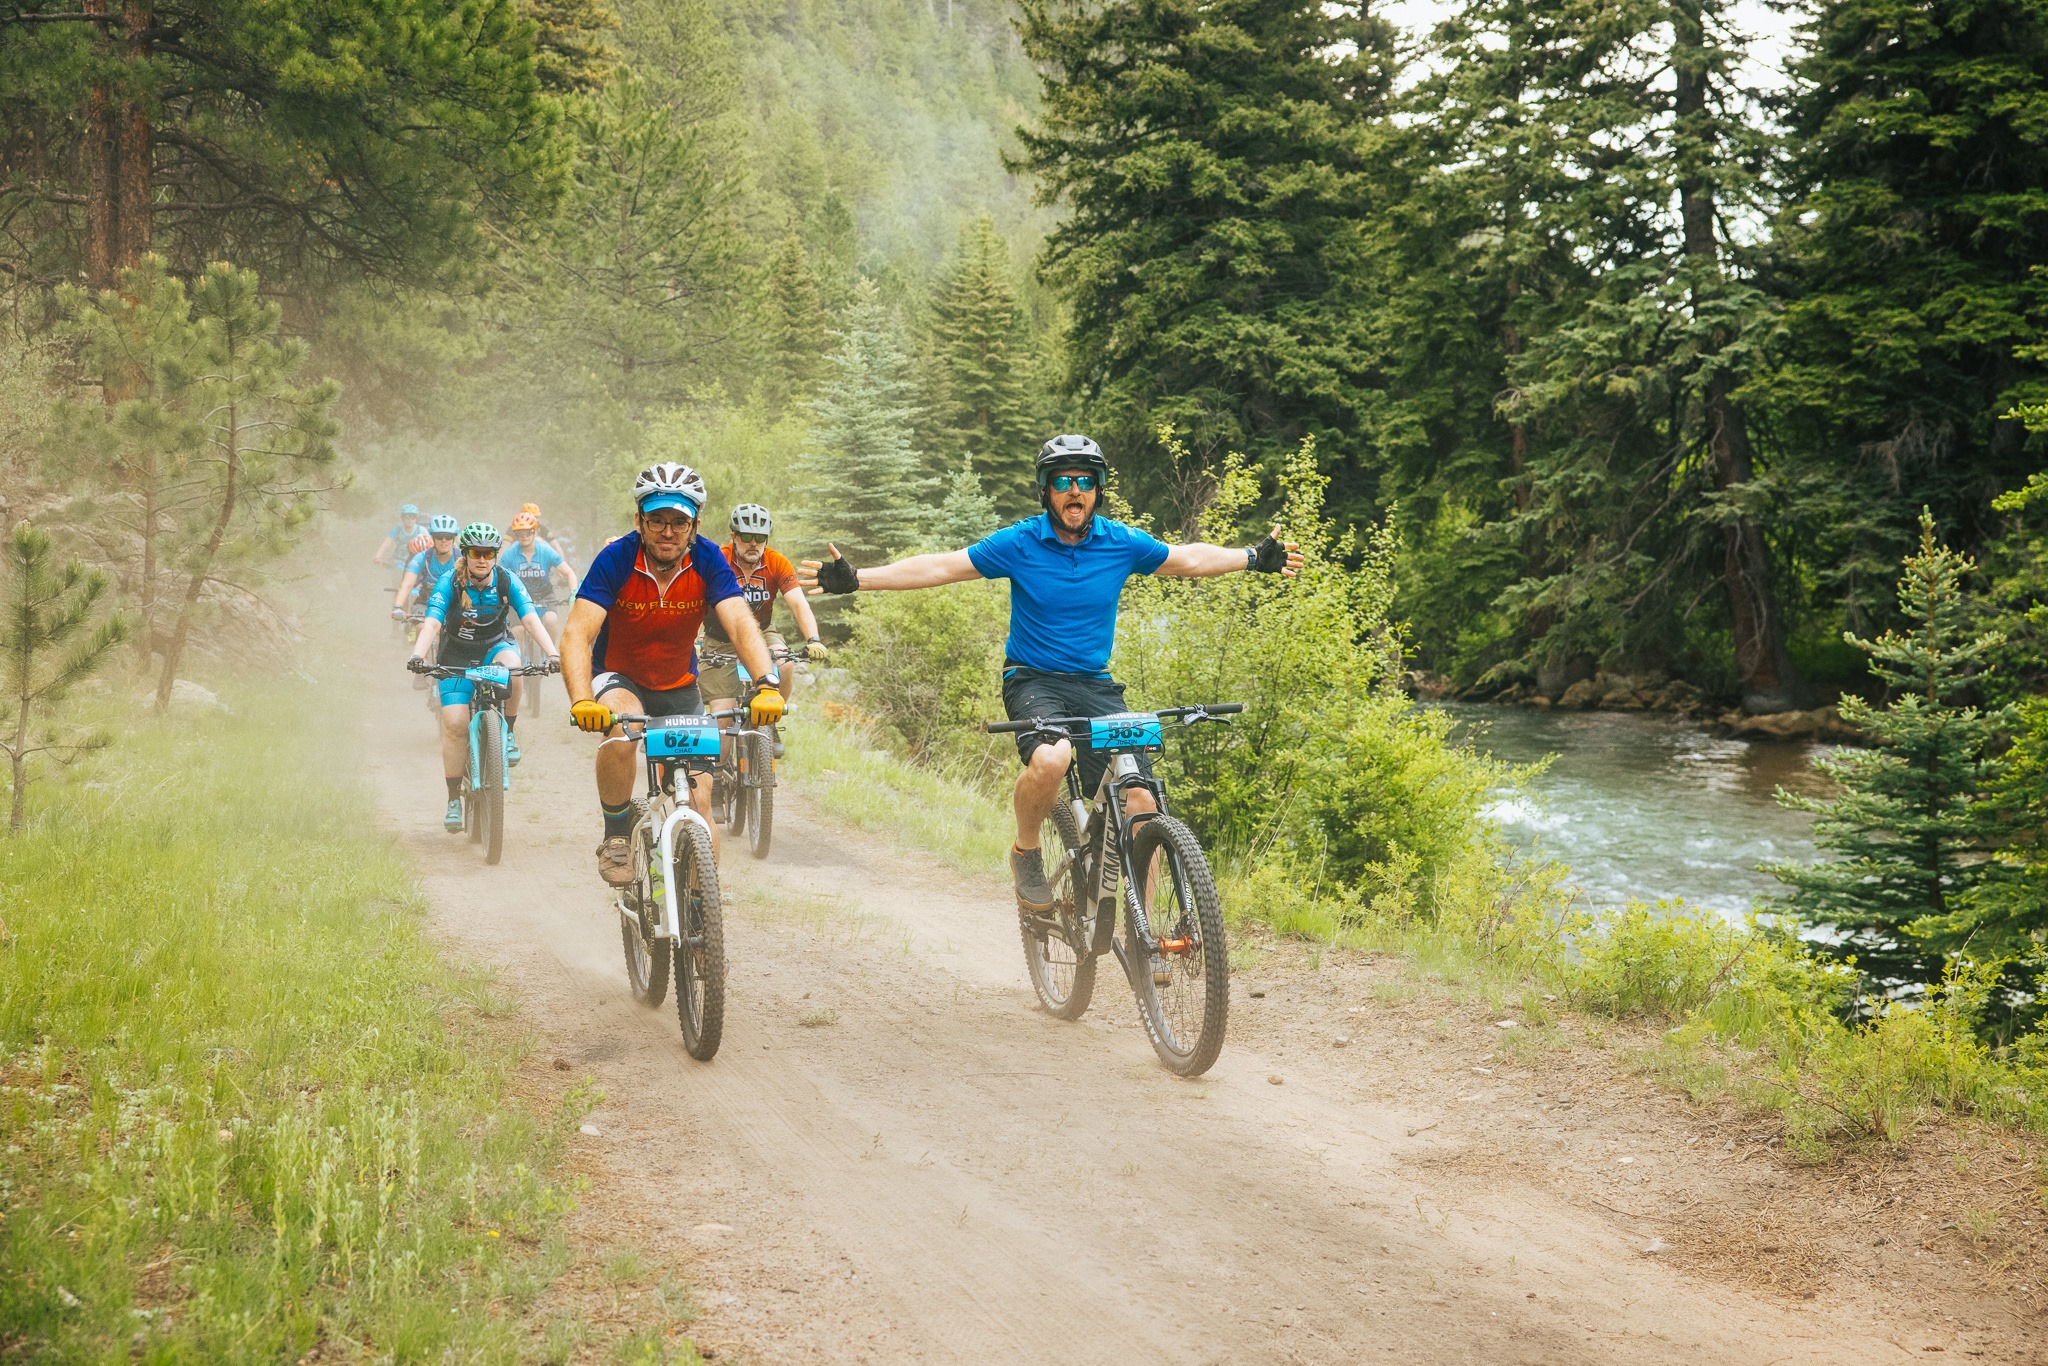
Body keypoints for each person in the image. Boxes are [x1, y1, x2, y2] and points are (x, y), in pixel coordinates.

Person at [800, 434, 1300, 912]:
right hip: (1032, 679)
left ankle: (1145, 934)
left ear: (1098, 490)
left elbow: (1187, 558)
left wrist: (1252, 558)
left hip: (1094, 684)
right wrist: (859, 580)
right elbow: (941, 567)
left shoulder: (1120, 543)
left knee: (1141, 798)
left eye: (1084, 481)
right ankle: (1026, 851)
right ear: (1046, 491)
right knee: (1052, 758)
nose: (1074, 490)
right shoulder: (1020, 543)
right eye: (1062, 482)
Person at [559, 463, 787, 885]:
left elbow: (739, 622)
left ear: (694, 525)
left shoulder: (706, 560)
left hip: (679, 685)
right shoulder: (616, 558)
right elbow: (576, 633)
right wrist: (581, 700)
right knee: (621, 734)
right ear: (639, 522)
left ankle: (702, 910)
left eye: (679, 522)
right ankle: (615, 836)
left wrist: (766, 683)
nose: (668, 531)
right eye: (657, 520)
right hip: (618, 676)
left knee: (700, 804)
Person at [407, 524, 558, 830]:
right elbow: (433, 623)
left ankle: (510, 733)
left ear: (495, 555)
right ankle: (453, 799)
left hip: (494, 648)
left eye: (489, 553)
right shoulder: (450, 582)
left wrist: (552, 653)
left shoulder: (506, 579)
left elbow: (530, 618)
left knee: (514, 669)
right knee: (455, 724)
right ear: (466, 554)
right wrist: (418, 655)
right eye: (476, 553)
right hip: (456, 656)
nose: (482, 559)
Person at [698, 503, 829, 720]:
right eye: (747, 536)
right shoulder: (718, 559)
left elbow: (798, 603)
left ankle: (773, 719)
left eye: (760, 538)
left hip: (763, 631)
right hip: (719, 638)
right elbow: (695, 601)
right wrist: (693, 638)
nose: (753, 543)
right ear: (734, 536)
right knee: (723, 718)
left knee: (785, 663)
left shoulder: (776, 562)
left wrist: (813, 638)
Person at [503, 511, 576, 661]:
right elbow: (498, 575)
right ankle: (518, 663)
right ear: (515, 535)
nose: (524, 536)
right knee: (517, 631)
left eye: (528, 532)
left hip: (544, 595)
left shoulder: (545, 550)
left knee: (551, 621)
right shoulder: (510, 553)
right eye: (520, 533)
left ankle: (549, 653)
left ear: (535, 531)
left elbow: (569, 573)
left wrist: (573, 594)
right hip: (518, 598)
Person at [391, 514, 461, 618]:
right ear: (432, 537)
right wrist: (398, 607)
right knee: (422, 627)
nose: (444, 540)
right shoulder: (422, 557)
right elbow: (407, 584)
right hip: (425, 603)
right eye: (439, 536)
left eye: (448, 537)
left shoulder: (463, 558)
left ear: (454, 538)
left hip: (455, 604)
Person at [373, 504, 423, 568]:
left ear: (416, 518)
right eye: (407, 517)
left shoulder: (421, 530)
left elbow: (430, 546)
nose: (410, 519)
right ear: (402, 518)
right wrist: (378, 556)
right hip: (398, 560)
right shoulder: (397, 530)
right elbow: (386, 544)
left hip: (414, 561)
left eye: (413, 517)